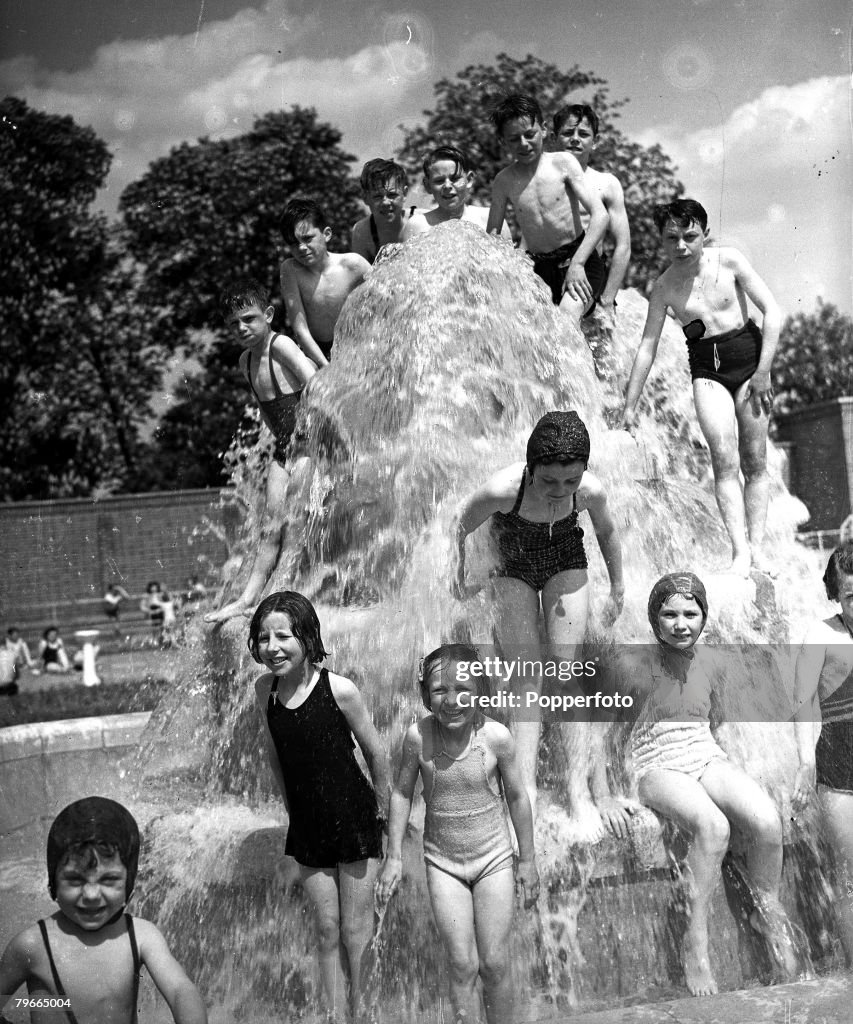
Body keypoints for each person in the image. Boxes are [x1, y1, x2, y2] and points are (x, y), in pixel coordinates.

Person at [453, 411, 625, 837]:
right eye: (549, 481)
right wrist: (464, 575)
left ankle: (579, 791)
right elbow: (460, 525)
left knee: (565, 675)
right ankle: (524, 790)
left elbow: (606, 533)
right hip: (512, 565)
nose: (559, 491)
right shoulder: (502, 490)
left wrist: (618, 587)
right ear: (530, 469)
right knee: (527, 678)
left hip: (565, 560)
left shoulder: (590, 490)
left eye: (570, 482)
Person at [631, 572, 797, 995]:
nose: (680, 623)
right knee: (714, 827)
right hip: (654, 764)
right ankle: (696, 937)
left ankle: (766, 906)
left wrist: (722, 771)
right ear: (654, 619)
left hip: (702, 753)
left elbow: (716, 719)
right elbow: (599, 732)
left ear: (704, 617)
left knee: (766, 821)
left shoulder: (713, 660)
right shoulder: (634, 663)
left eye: (690, 613)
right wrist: (602, 795)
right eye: (669, 614)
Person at [376, 644, 538, 1024]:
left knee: (495, 963)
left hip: (494, 858)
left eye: (464, 689)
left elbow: (517, 796)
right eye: (440, 690)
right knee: (463, 964)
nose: (452, 700)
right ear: (425, 695)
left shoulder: (497, 738)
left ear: (481, 690)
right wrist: (394, 856)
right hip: (443, 862)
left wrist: (527, 859)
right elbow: (401, 793)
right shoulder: (418, 737)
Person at [620, 198, 781, 578]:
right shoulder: (663, 287)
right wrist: (630, 405)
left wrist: (764, 372)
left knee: (755, 462)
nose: (681, 246)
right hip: (708, 372)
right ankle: (739, 552)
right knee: (724, 460)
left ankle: (758, 550)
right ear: (660, 240)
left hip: (751, 367)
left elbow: (772, 312)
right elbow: (647, 345)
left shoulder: (730, 261)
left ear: (703, 234)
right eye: (671, 238)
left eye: (689, 236)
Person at [250, 591, 389, 1020]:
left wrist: (385, 817)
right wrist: (294, 816)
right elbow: (276, 756)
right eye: (262, 637)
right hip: (309, 827)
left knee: (355, 930)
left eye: (283, 636)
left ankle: (363, 1012)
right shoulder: (265, 692)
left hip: (355, 821)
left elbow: (377, 756)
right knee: (327, 929)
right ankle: (336, 1017)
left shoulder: (339, 689)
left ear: (308, 637)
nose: (271, 647)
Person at [0, 796, 207, 1024]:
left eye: (108, 880)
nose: (91, 895)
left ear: (129, 884)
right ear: (53, 884)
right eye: (75, 880)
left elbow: (180, 991)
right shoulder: (32, 945)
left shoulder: (140, 936)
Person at [204, 280, 316, 624]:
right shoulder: (245, 362)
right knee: (271, 524)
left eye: (249, 319)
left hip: (311, 443)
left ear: (268, 315)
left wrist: (310, 433)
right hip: (285, 447)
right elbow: (269, 412)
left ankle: (290, 593)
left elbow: (315, 380)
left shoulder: (280, 345)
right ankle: (248, 597)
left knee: (296, 524)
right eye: (234, 323)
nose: (242, 328)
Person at [486, 94, 608, 328]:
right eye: (514, 139)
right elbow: (492, 234)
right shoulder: (503, 181)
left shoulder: (563, 162)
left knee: (564, 322)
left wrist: (578, 264)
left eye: (529, 134)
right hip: (540, 268)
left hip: (580, 259)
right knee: (539, 336)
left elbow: (600, 215)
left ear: (542, 129)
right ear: (503, 141)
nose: (523, 143)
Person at [792, 544, 853, 965]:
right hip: (839, 764)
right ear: (836, 594)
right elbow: (800, 702)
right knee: (849, 876)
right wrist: (804, 760)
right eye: (851, 594)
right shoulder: (821, 634)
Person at [552, 103, 631, 373]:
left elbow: (623, 246)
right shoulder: (542, 179)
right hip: (549, 270)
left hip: (589, 274)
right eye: (568, 132)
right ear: (554, 138)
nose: (575, 138)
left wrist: (607, 301)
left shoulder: (605, 183)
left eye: (583, 133)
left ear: (595, 142)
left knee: (602, 367)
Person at [280, 198, 370, 365]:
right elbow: (300, 329)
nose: (301, 248)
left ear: (326, 234)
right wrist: (326, 367)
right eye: (293, 244)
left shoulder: (353, 265)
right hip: (316, 350)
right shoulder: (291, 270)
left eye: (307, 239)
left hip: (355, 346)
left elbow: (387, 296)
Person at [402, 146, 509, 240]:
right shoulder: (418, 225)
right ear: (428, 186)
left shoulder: (490, 220)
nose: (447, 186)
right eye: (439, 180)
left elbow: (511, 261)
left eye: (455, 179)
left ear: (469, 179)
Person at [351, 159, 415, 263]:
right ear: (366, 198)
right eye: (377, 196)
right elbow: (360, 276)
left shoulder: (423, 220)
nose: (385, 202)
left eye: (392, 195)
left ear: (404, 194)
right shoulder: (362, 232)